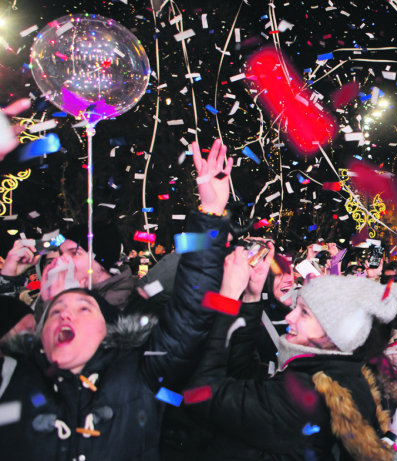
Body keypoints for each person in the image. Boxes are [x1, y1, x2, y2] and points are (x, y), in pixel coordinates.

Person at [0, 139, 233, 461]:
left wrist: (210, 215)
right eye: (56, 311)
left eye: (84, 307)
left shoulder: (135, 365)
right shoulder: (20, 373)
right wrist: (9, 280)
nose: (67, 315)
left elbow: (190, 310)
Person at [183, 257, 397, 461]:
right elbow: (245, 375)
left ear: (335, 335)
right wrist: (252, 296)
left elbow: (201, 393)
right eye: (296, 306)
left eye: (304, 312)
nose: (290, 316)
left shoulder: (301, 397)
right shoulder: (333, 375)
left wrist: (226, 300)